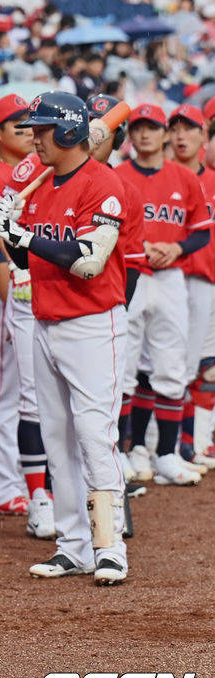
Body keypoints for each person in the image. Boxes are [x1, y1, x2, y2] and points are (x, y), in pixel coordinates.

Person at [0, 91, 130, 585]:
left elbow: (88, 261)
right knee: (57, 438)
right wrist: (7, 231)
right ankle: (73, 545)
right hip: (45, 319)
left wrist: (19, 235)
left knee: (92, 433)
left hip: (93, 323)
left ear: (69, 132)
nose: (34, 139)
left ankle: (110, 547)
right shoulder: (40, 182)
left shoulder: (103, 184)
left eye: (43, 130)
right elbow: (29, 262)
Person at [114, 104, 212, 486]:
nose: (144, 135)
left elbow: (201, 231)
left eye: (152, 128)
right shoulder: (119, 176)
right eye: (138, 128)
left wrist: (178, 248)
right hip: (131, 275)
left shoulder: (184, 178)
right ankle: (122, 453)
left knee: (170, 368)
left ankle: (167, 455)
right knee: (124, 369)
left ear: (165, 133)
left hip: (171, 276)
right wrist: (142, 244)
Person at [0, 94, 53, 534]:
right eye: (16, 125)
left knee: (21, 392)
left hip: (24, 295)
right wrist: (11, 309)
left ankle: (17, 480)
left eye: (29, 123)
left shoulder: (36, 172)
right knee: (3, 393)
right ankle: (0, 489)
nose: (25, 130)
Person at [86, 93, 147, 503]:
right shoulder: (50, 177)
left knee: (104, 400)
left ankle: (108, 479)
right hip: (54, 310)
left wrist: (116, 310)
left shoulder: (125, 189)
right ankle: (48, 489)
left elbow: (135, 262)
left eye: (102, 128)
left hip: (103, 309)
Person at [166, 104, 215, 470]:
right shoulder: (161, 176)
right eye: (176, 129)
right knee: (167, 368)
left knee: (205, 370)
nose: (181, 136)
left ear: (203, 135)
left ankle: (195, 442)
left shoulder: (211, 179)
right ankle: (161, 446)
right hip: (171, 280)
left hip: (206, 282)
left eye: (189, 129)